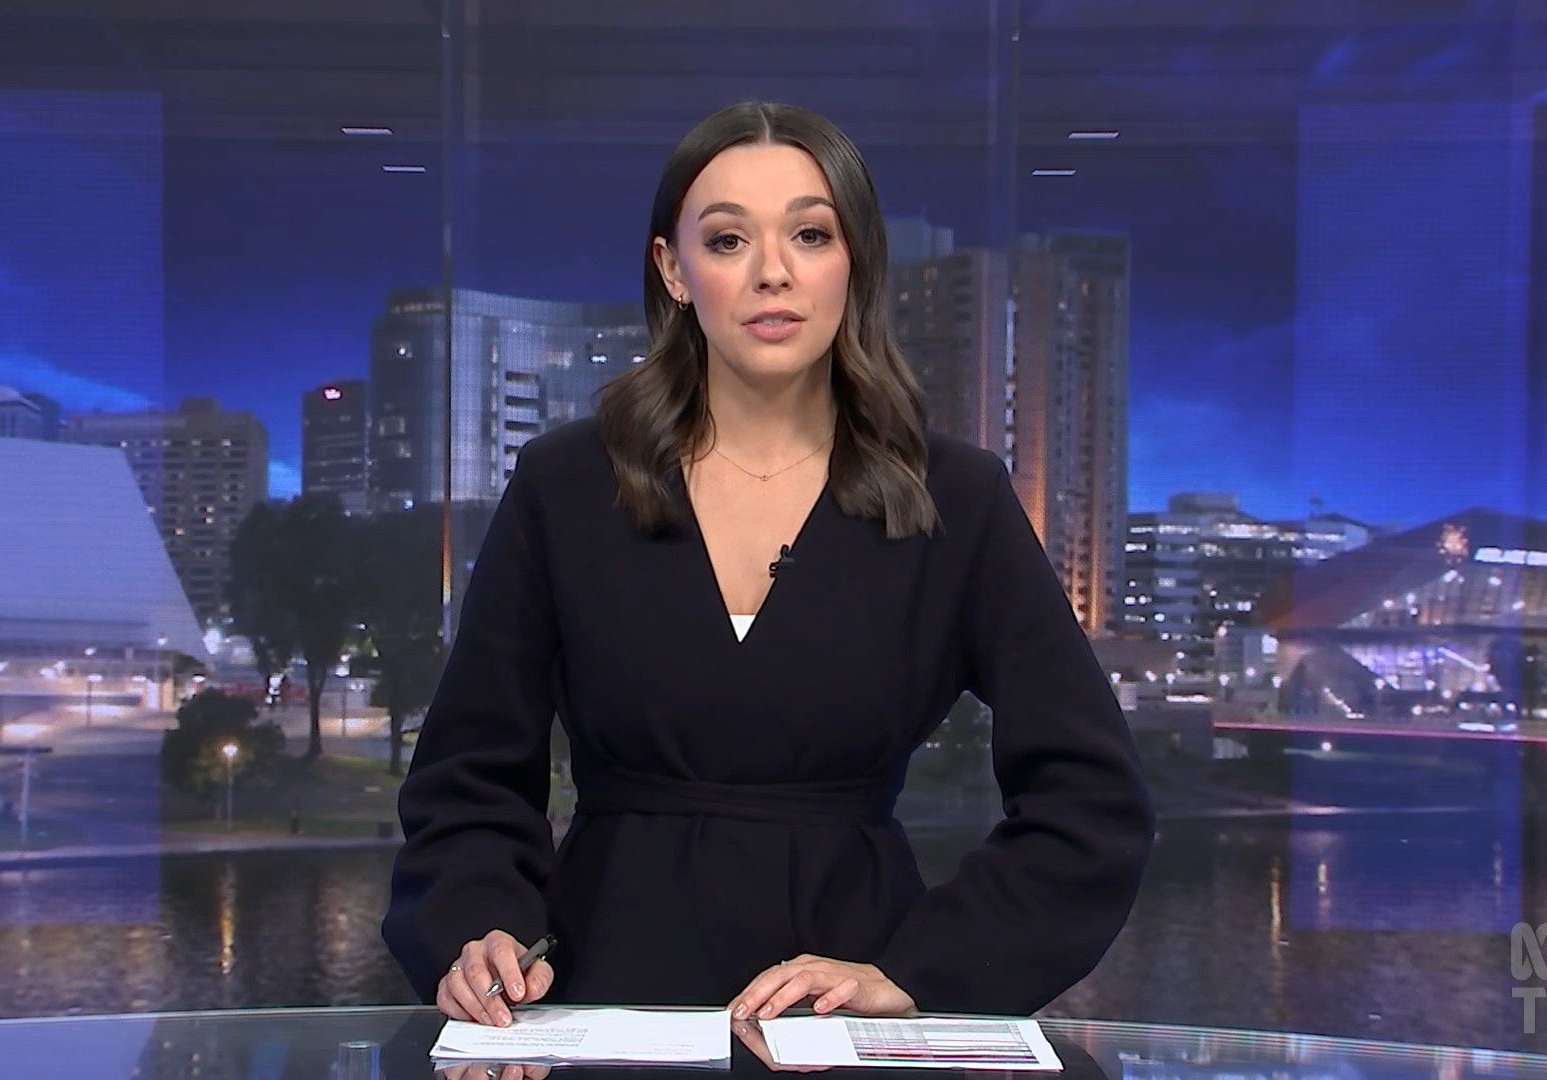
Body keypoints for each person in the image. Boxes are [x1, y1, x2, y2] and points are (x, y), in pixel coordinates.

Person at [382, 100, 1154, 1028]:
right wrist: (478, 928)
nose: (773, 272)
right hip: (602, 996)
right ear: (674, 269)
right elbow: (467, 778)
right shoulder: (565, 485)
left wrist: (921, 971)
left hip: (845, 1017)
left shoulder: (958, 496)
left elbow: (1093, 801)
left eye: (811, 234)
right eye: (727, 240)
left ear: (855, 262)